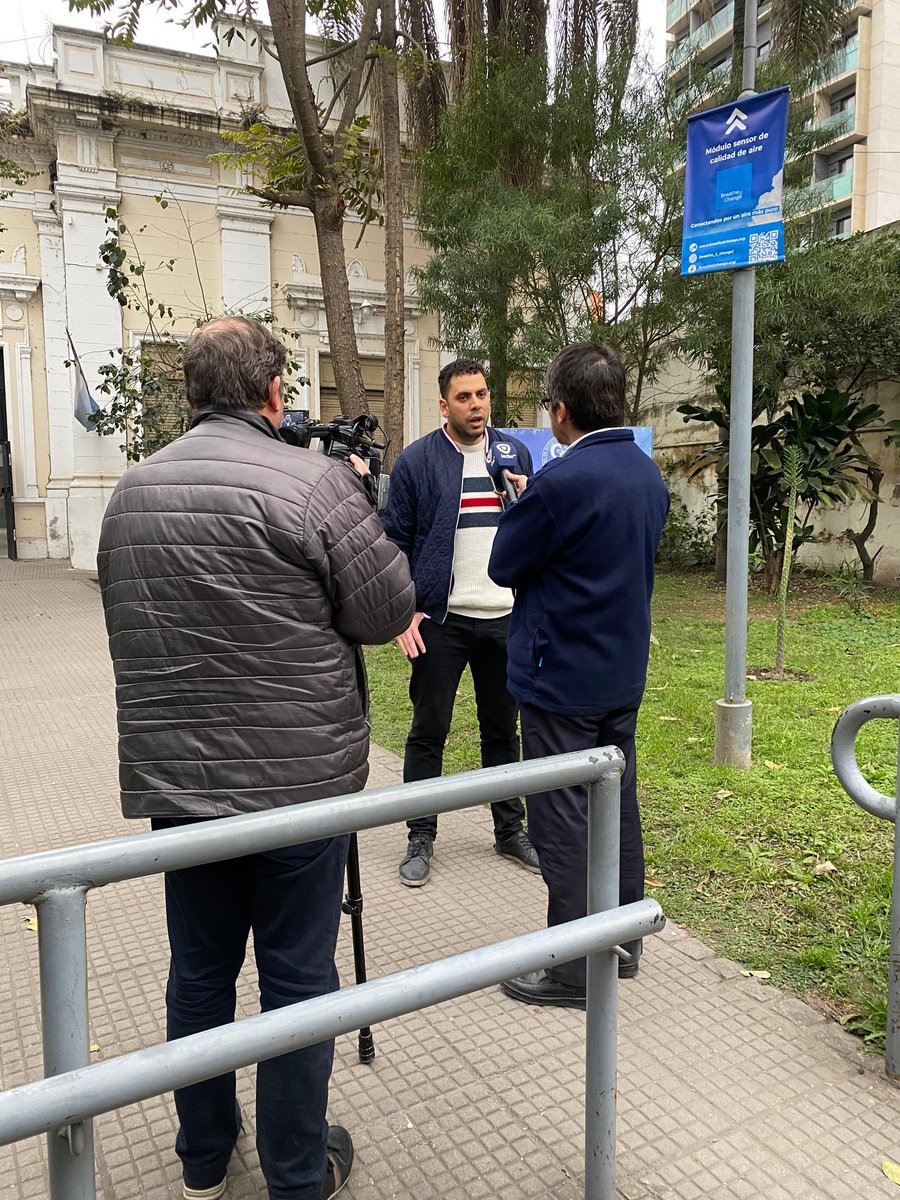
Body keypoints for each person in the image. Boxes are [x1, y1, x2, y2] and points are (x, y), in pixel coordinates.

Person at [97, 316, 415, 1200]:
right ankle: (296, 1174)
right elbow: (387, 612)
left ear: (193, 392)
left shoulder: (131, 492)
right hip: (296, 789)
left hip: (179, 792)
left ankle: (203, 1156)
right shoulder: (314, 483)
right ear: (274, 392)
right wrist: (360, 499)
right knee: (298, 980)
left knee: (198, 973)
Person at [488, 341, 669, 1009]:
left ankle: (572, 968)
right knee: (616, 803)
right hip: (620, 672)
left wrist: (523, 506)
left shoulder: (562, 484)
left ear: (560, 412)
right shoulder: (647, 476)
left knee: (561, 818)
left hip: (559, 674)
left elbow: (505, 564)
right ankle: (622, 940)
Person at [381, 359, 540, 887]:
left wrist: (523, 496)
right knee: (430, 731)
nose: (477, 405)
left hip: (505, 618)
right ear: (444, 405)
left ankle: (509, 831)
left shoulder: (513, 453)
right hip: (441, 620)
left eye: (483, 395)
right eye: (465, 397)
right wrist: (404, 613)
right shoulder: (416, 462)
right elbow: (394, 544)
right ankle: (420, 834)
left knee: (502, 731)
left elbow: (533, 531)